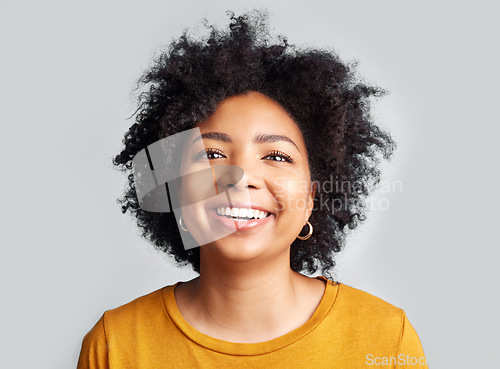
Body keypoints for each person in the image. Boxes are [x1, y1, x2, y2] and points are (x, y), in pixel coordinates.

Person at [77, 9, 428, 368]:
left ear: (311, 199)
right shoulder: (115, 344)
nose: (240, 176)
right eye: (211, 153)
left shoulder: (386, 338)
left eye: (276, 156)